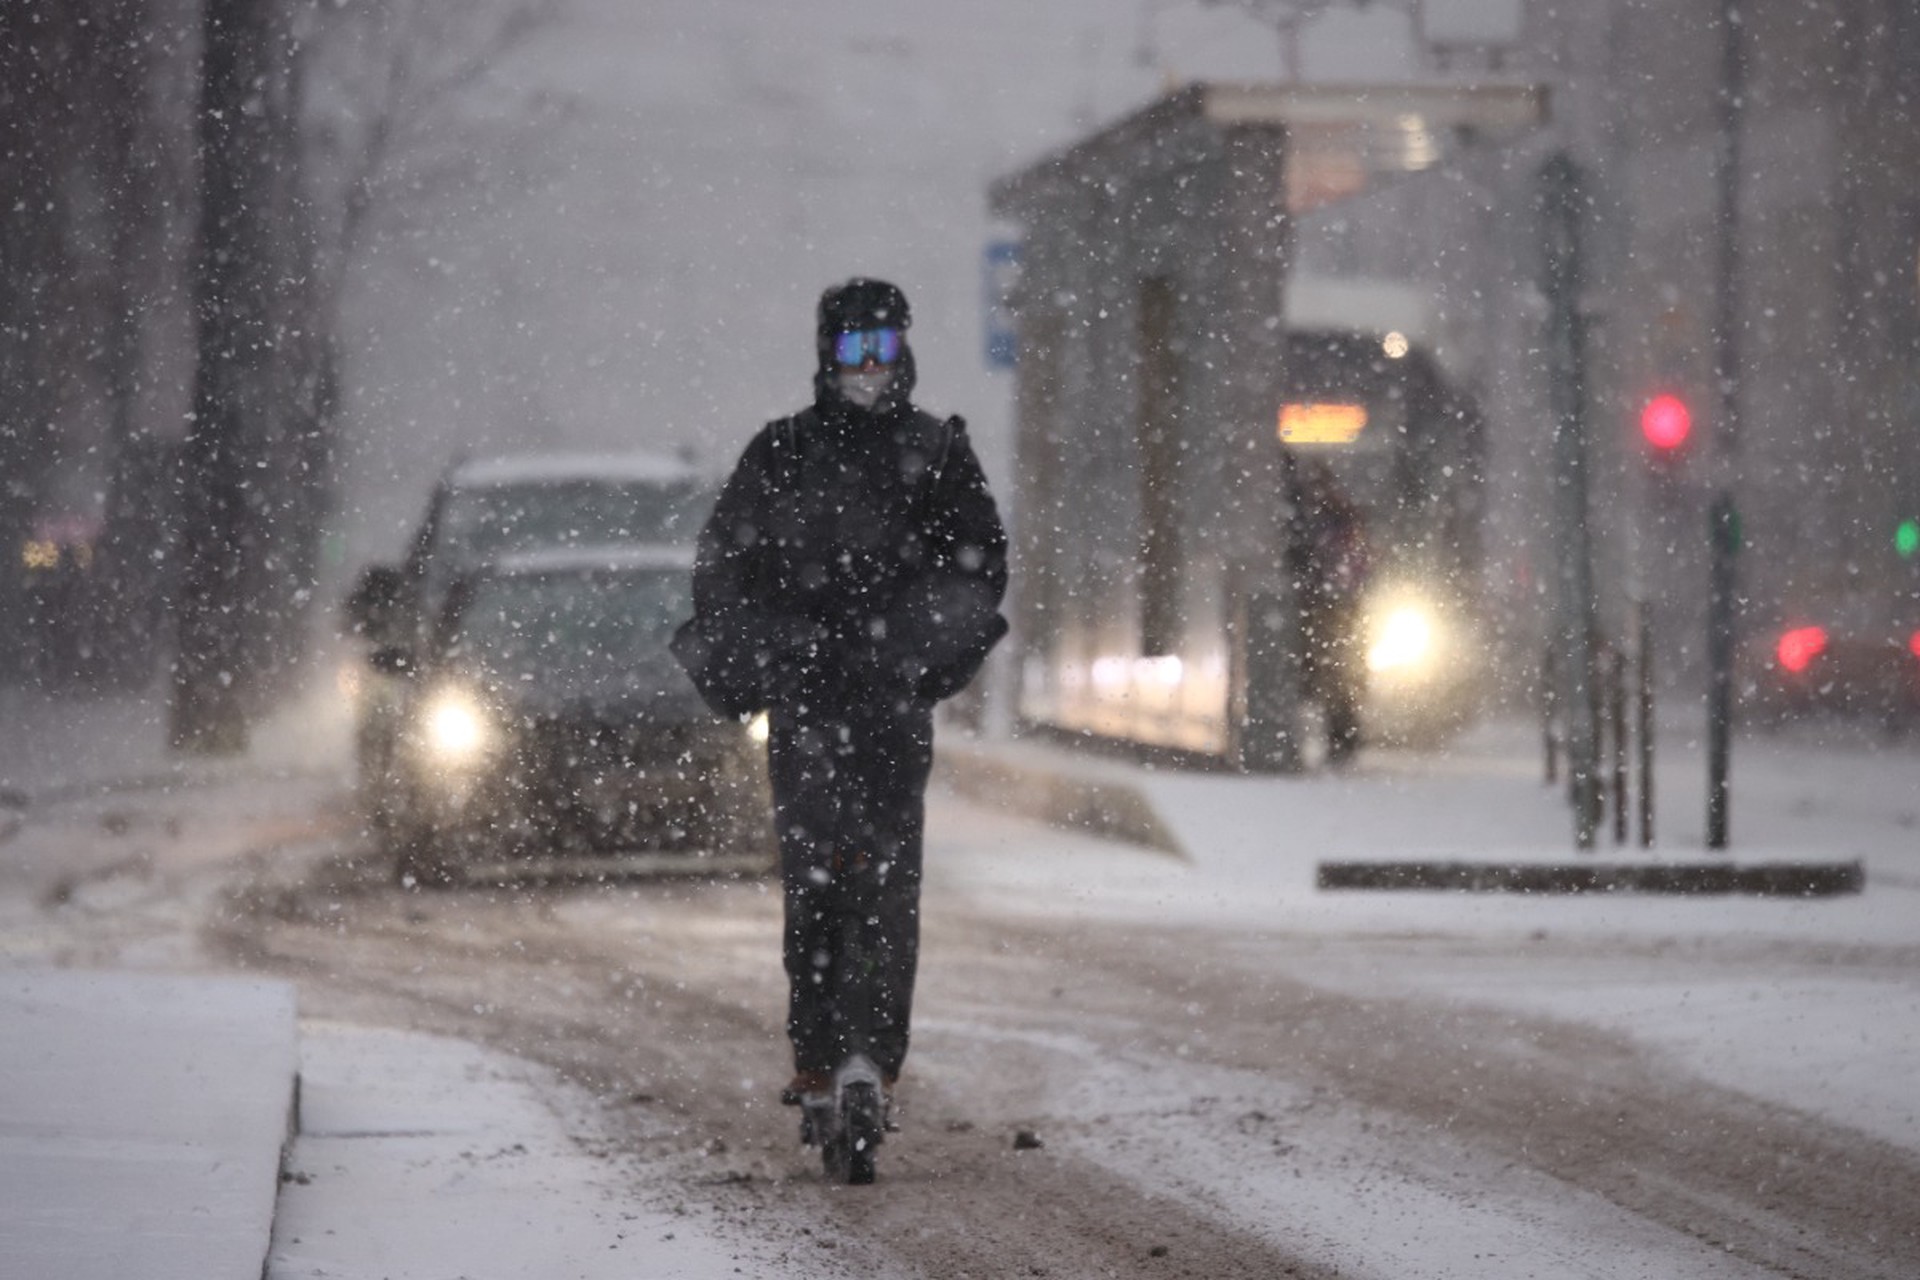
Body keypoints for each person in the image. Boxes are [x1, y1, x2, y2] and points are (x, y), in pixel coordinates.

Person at [675, 278, 1008, 1118]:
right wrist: (772, 648)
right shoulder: (781, 453)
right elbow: (726, 566)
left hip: (890, 706)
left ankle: (875, 1056)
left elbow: (976, 562)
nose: (868, 367)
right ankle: (818, 1054)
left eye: (883, 348)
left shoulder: (934, 454)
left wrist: (917, 648)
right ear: (827, 352)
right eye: (854, 349)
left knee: (887, 883)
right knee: (815, 879)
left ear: (903, 351)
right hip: (807, 706)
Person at [1286, 456, 1371, 763]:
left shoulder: (1324, 520)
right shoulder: (1338, 519)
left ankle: (1341, 736)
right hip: (1336, 605)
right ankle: (1342, 736)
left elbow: (1348, 564)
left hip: (1330, 605)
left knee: (1331, 674)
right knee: (1335, 675)